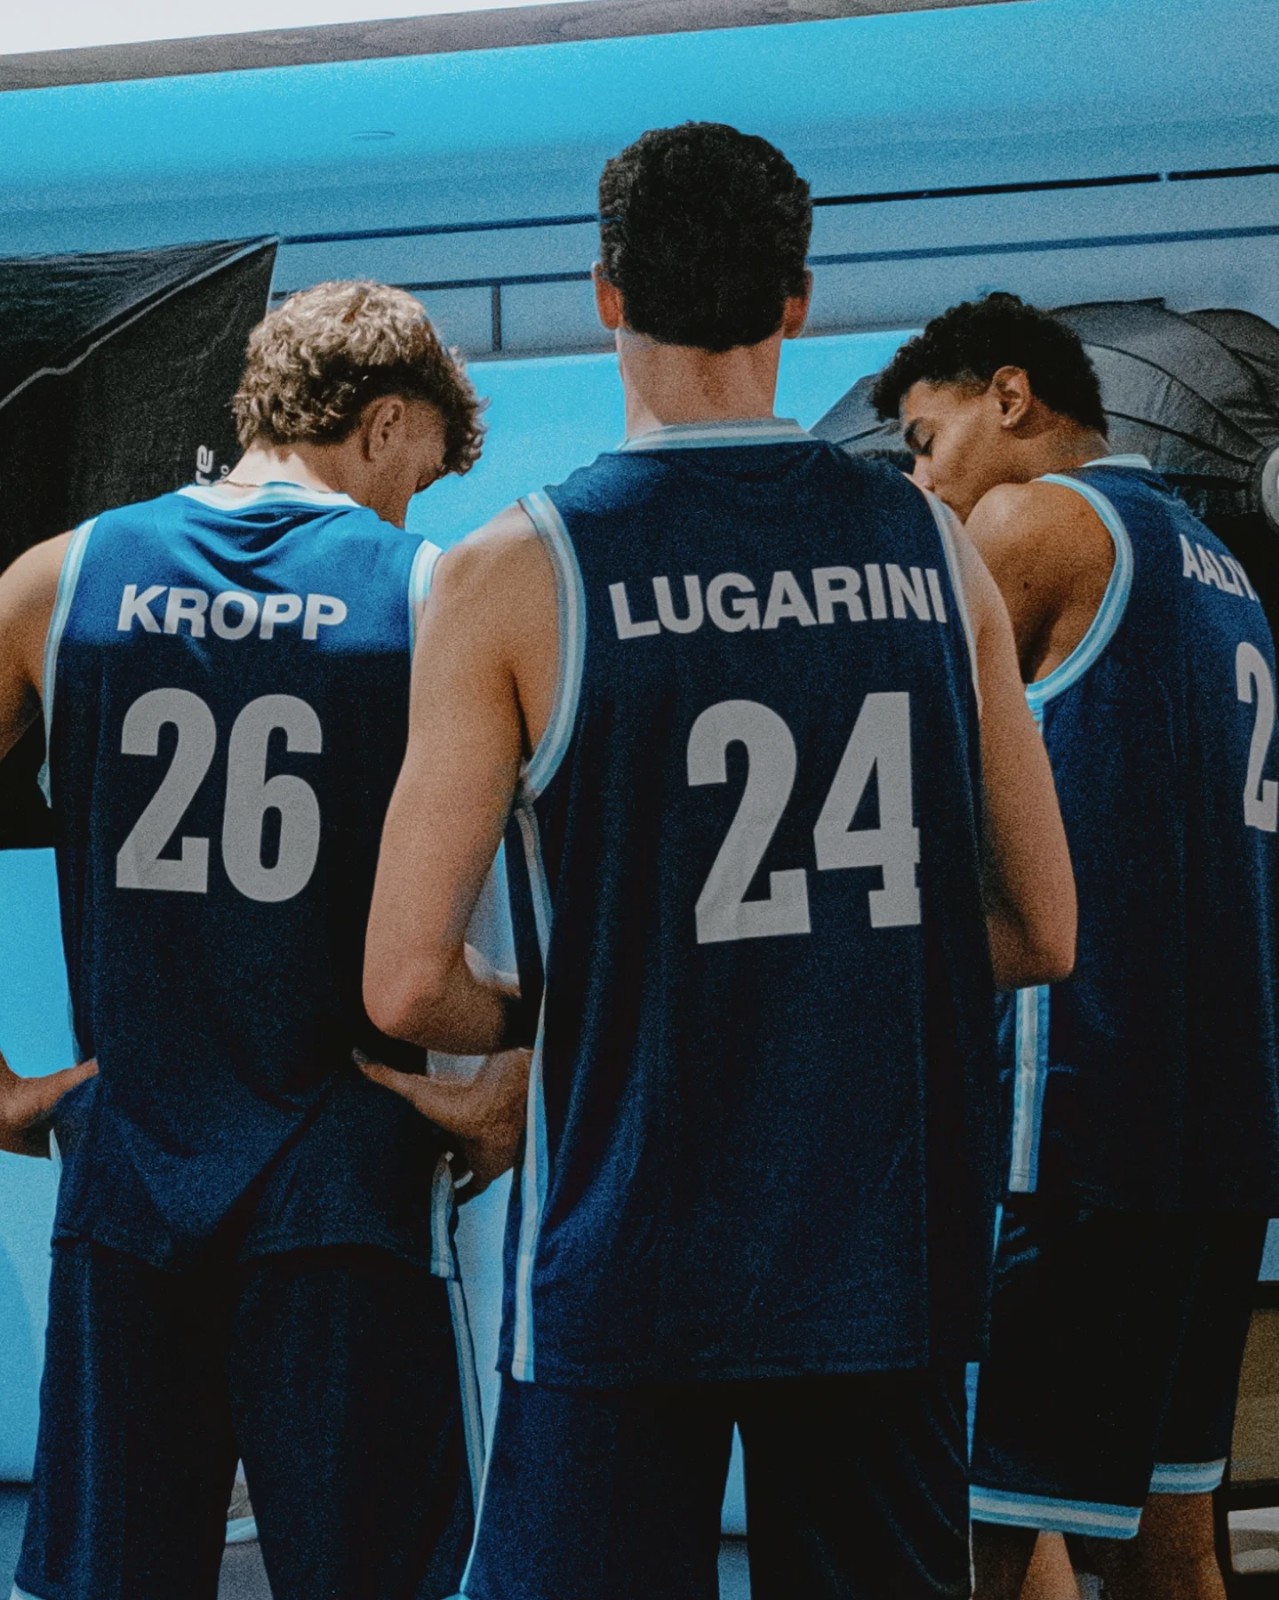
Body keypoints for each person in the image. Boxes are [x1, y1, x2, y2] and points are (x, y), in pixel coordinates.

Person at [361, 123, 1075, 1600]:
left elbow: (408, 980)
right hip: (879, 1254)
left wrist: (568, 1007)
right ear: (797, 301)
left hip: (625, 1255)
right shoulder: (934, 549)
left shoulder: (514, 572)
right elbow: (1043, 929)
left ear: (607, 293)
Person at [0, 279, 527, 1600]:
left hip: (128, 1182)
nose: (412, 508)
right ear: (385, 421)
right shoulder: (433, 595)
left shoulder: (61, 581)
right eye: (418, 474)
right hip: (350, 1184)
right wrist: (518, 1069)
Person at [873, 292, 1279, 1600]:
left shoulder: (1032, 522)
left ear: (1010, 396)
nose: (922, 481)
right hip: (1222, 1128)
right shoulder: (1223, 569)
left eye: (925, 442)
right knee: (1172, 1542)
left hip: (1082, 1117)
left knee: (985, 1535)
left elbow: (888, 745)